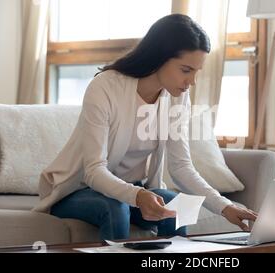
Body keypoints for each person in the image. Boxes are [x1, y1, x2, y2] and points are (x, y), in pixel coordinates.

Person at [34, 14, 257, 240]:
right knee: (116, 208)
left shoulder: (177, 96)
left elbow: (181, 167)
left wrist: (224, 206)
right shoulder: (105, 87)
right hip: (77, 191)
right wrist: (137, 195)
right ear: (160, 57)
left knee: (176, 207)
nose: (192, 82)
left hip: (132, 190)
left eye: (197, 71)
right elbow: (94, 170)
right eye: (186, 70)